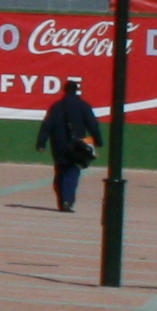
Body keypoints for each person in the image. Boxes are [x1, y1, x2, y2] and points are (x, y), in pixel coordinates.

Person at [39, 79, 102, 213]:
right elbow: (93, 125)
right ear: (77, 91)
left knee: (60, 171)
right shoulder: (83, 106)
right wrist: (97, 141)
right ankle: (68, 200)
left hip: (58, 144)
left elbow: (47, 125)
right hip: (78, 145)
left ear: (64, 90)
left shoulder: (56, 107)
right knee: (73, 171)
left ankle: (63, 199)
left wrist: (41, 143)